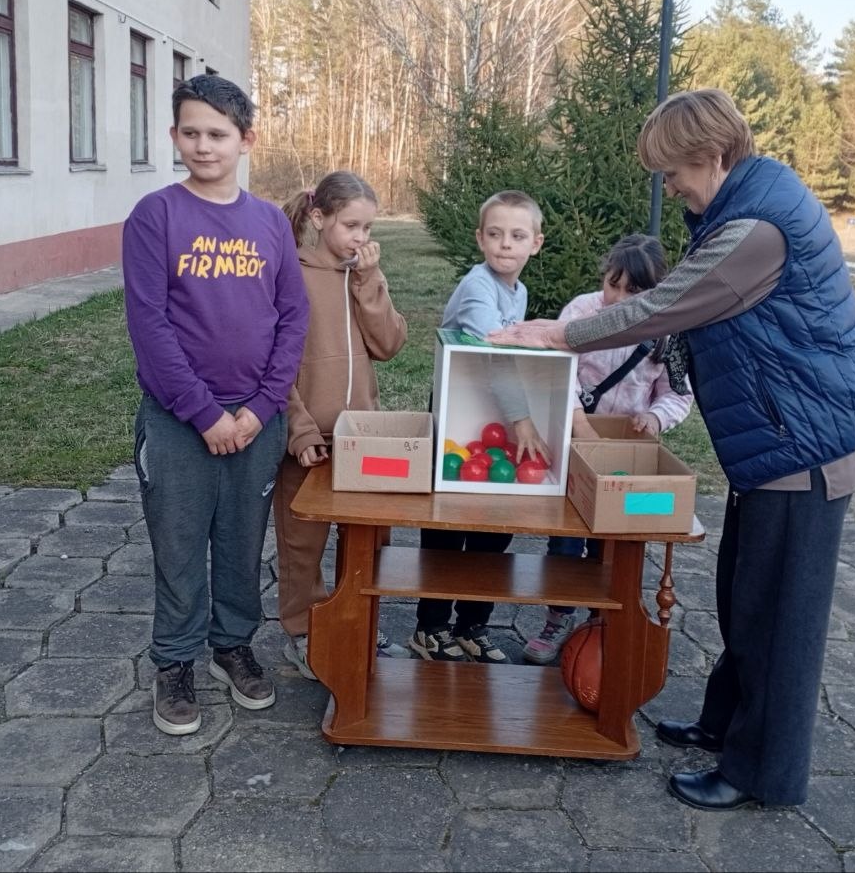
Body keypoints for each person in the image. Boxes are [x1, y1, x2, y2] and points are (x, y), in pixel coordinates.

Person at [489, 89, 855, 810]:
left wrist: (558, 333)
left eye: (671, 172)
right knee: (744, 596)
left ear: (708, 155)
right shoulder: (737, 207)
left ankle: (761, 771)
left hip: (806, 443)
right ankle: (724, 727)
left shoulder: (759, 225)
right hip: (776, 437)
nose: (667, 188)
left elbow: (668, 304)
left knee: (779, 619)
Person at [123, 74, 309, 736]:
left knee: (239, 541)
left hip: (257, 419)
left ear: (245, 140)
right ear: (175, 136)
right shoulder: (156, 216)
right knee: (178, 544)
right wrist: (204, 414)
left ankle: (232, 645)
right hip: (179, 423)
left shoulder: (267, 222)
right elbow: (149, 325)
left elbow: (293, 316)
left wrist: (260, 409)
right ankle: (174, 661)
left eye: (218, 134)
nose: (204, 146)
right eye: (192, 133)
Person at [522, 233, 694, 666]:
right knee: (567, 539)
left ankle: (603, 623)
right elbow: (560, 372)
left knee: (616, 543)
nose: (617, 297)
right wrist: (580, 423)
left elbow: (678, 393)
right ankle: (557, 616)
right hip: (576, 444)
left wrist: (655, 417)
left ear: (655, 292)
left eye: (632, 291)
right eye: (612, 284)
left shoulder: (667, 333)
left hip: (624, 455)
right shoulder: (581, 313)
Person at [274, 170, 410, 679]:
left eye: (368, 229)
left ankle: (357, 621)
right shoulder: (292, 274)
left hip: (362, 440)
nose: (361, 238)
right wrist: (300, 429)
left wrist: (369, 281)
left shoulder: (364, 275)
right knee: (301, 544)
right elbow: (276, 365)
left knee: (367, 540)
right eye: (352, 225)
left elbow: (390, 344)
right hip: (309, 443)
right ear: (318, 217)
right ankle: (303, 632)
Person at [411, 190, 551, 664]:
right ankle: (430, 628)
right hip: (459, 413)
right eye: (495, 234)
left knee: (495, 525)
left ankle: (473, 625)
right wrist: (524, 420)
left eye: (517, 236)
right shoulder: (478, 286)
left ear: (536, 243)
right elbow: (495, 352)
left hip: (490, 415)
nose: (505, 245)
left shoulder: (518, 290)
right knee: (448, 527)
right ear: (480, 238)